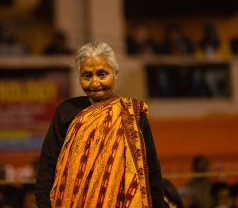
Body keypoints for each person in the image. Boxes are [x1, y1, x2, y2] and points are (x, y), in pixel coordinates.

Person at [35, 41, 165, 207]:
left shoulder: (132, 114)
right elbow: (48, 163)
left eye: (102, 74)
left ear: (115, 74)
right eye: (87, 75)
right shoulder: (66, 111)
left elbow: (151, 167)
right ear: (79, 77)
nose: (95, 83)